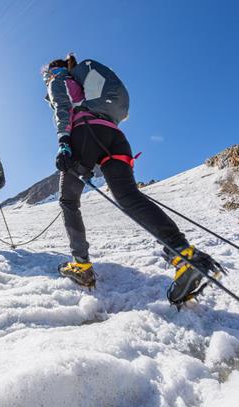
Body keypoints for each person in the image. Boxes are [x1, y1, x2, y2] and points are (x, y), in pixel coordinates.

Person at [42, 54, 222, 305]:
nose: (45, 79)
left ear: (53, 70)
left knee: (68, 200)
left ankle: (81, 265)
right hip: (115, 136)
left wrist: (64, 142)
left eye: (45, 75)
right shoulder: (87, 81)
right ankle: (183, 254)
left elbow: (63, 107)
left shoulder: (59, 79)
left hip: (85, 133)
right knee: (129, 196)